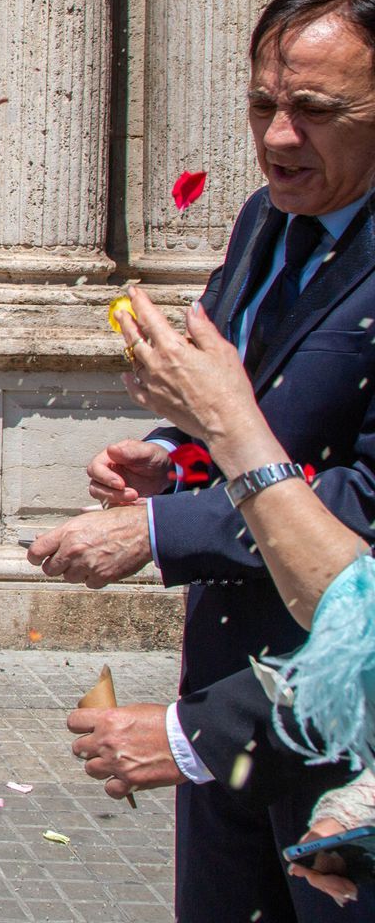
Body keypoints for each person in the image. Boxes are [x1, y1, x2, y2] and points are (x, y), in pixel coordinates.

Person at [29, 0, 375, 923]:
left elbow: (358, 502)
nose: (276, 138)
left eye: (314, 111)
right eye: (263, 104)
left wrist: (162, 529)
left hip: (336, 729)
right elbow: (229, 402)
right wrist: (167, 459)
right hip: (226, 670)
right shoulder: (267, 218)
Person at [115, 283, 375, 907]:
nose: (268, 177)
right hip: (227, 686)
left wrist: (200, 732)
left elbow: (351, 607)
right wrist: (182, 457)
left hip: (306, 732)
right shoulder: (266, 218)